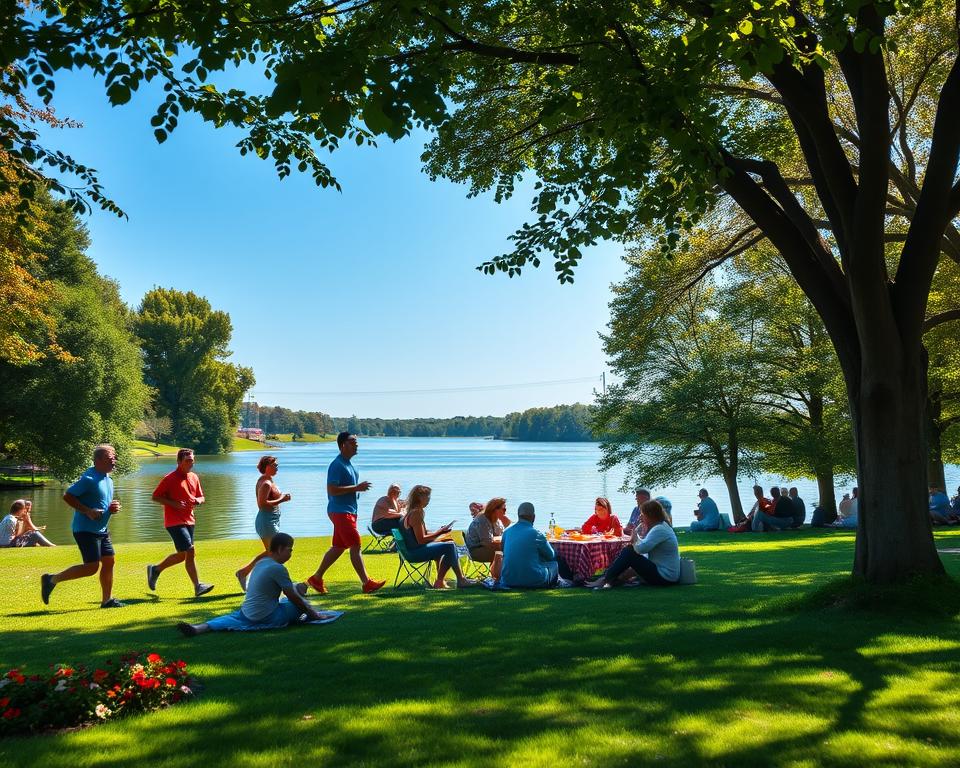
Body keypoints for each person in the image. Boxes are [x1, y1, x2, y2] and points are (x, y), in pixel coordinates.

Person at [177, 533, 332, 635]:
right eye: (289, 550)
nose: (291, 554)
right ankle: (309, 615)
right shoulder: (278, 568)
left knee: (228, 619)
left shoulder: (262, 562)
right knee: (300, 604)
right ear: (279, 549)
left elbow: (289, 588)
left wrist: (300, 586)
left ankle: (198, 628)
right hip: (267, 616)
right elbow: (293, 597)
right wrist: (314, 614)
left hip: (247, 612)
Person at [41, 444, 124, 608]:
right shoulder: (89, 479)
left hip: (101, 529)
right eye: (110, 458)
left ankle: (107, 600)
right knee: (91, 567)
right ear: (98, 460)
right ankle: (51, 579)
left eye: (114, 458)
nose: (114, 461)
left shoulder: (108, 479)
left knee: (109, 561)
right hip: (85, 530)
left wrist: (111, 508)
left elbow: (101, 503)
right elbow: (68, 496)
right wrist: (87, 511)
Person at [305, 432, 386, 595]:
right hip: (339, 511)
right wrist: (356, 488)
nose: (356, 445)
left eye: (357, 442)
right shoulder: (337, 465)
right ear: (343, 445)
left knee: (339, 547)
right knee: (355, 544)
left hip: (349, 511)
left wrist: (356, 491)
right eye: (352, 442)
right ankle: (366, 583)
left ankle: (316, 578)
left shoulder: (351, 465)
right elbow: (332, 490)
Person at [146, 449, 214, 596]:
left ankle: (155, 569)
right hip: (173, 521)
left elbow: (201, 497)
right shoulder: (169, 479)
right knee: (190, 550)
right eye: (187, 461)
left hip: (189, 519)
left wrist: (197, 501)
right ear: (179, 462)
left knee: (184, 555)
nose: (191, 463)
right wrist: (173, 504)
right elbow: (155, 497)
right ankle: (198, 586)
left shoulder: (194, 477)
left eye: (192, 460)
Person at [586, 499, 680, 588]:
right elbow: (643, 548)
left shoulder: (659, 529)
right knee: (629, 551)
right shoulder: (660, 526)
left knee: (629, 552)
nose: (640, 517)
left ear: (650, 515)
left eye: (642, 514)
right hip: (664, 574)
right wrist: (637, 538)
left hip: (665, 577)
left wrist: (635, 536)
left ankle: (605, 579)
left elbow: (640, 549)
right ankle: (608, 578)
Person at [398, 484, 476, 589]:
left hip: (412, 551)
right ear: (420, 498)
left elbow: (423, 534)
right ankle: (460, 580)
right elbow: (421, 540)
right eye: (427, 497)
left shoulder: (413, 512)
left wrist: (442, 533)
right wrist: (439, 533)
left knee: (447, 544)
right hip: (415, 553)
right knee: (449, 546)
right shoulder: (416, 513)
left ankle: (440, 582)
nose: (429, 500)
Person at [236, 455, 293, 591]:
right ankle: (279, 583)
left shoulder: (269, 481)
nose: (277, 467)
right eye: (274, 465)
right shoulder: (265, 483)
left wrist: (281, 497)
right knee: (277, 552)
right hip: (266, 521)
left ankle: (243, 573)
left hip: (272, 520)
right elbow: (261, 504)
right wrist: (282, 500)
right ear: (267, 467)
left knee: (271, 552)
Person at [500, 502, 572, 589]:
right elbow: (551, 555)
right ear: (533, 517)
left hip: (508, 579)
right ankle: (567, 581)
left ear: (518, 515)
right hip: (533, 580)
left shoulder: (507, 531)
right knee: (555, 563)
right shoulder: (536, 534)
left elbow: (503, 551)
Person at [465, 497, 509, 579]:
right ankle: (498, 578)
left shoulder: (497, 521)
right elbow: (487, 542)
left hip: (489, 548)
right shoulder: (482, 520)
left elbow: (501, 535)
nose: (505, 512)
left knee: (507, 550)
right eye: (504, 509)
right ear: (495, 510)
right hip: (476, 551)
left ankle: (502, 576)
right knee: (503, 552)